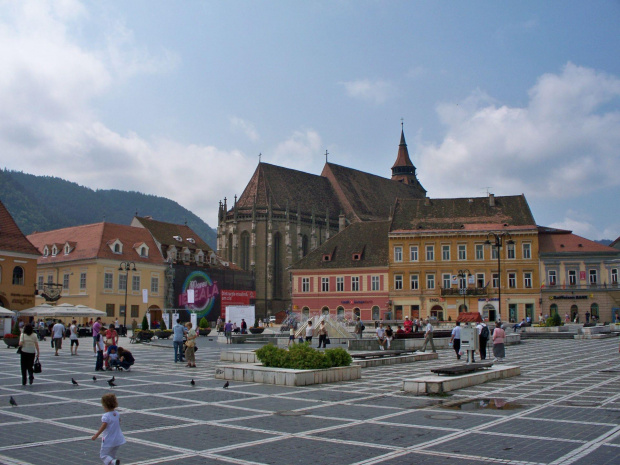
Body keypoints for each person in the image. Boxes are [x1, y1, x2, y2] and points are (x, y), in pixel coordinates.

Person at [92, 393, 125, 465]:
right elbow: (119, 421)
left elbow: (104, 425)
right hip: (118, 439)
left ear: (105, 405)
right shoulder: (117, 413)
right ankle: (113, 462)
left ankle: (114, 462)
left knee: (103, 455)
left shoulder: (106, 416)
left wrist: (96, 435)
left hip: (109, 440)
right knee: (111, 456)